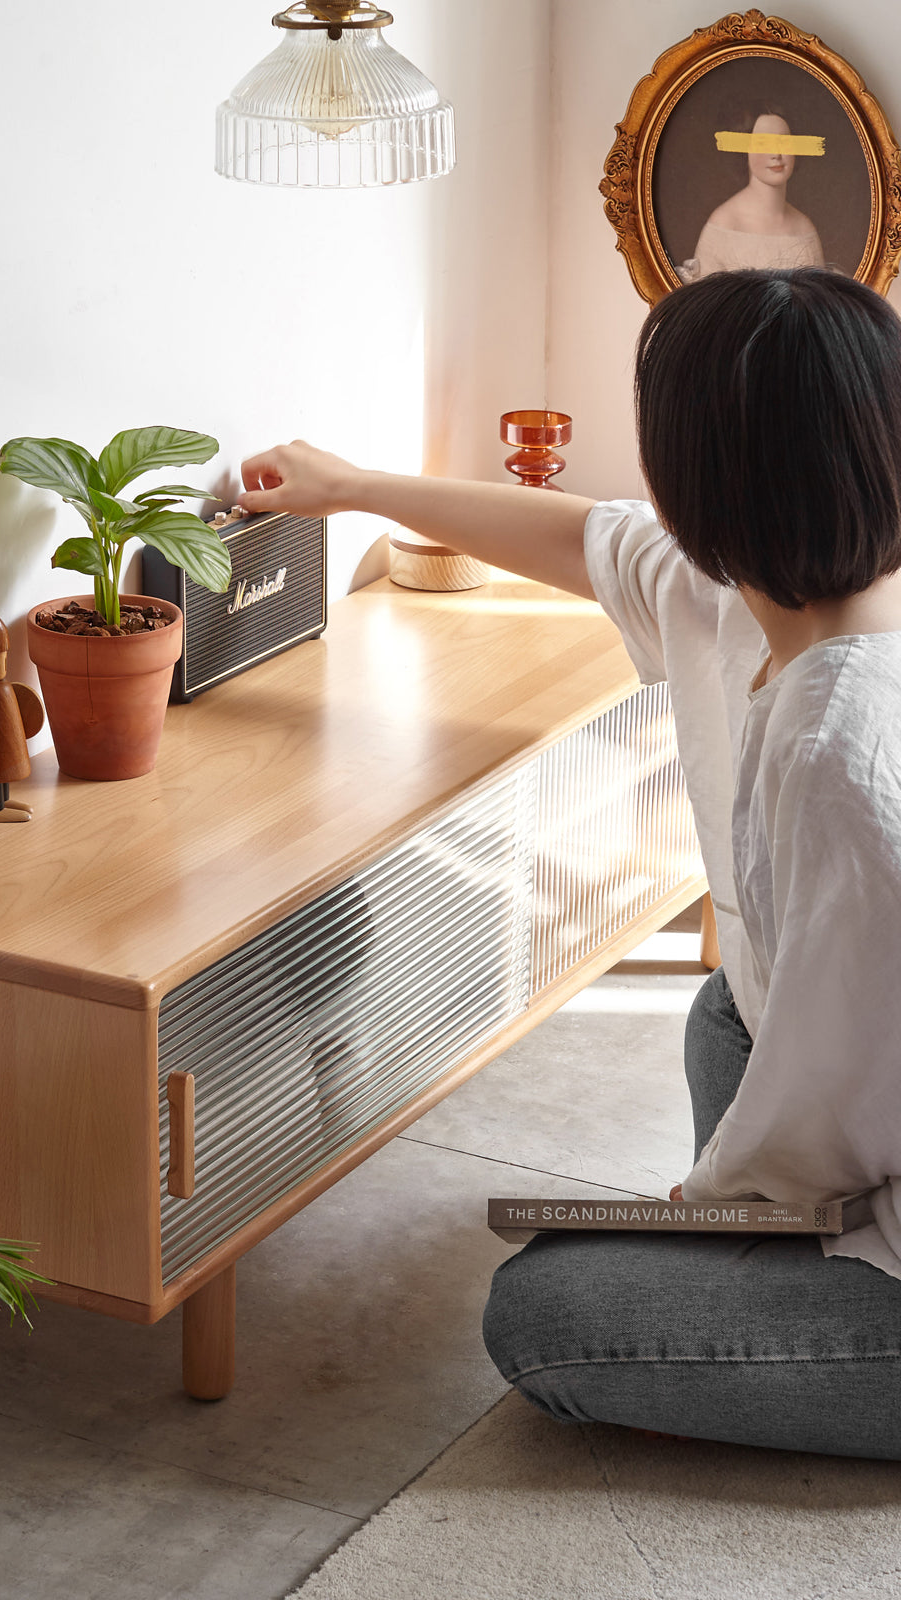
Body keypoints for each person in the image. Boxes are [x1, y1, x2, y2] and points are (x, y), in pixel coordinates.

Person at [238, 267, 901, 1458]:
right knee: (724, 1018)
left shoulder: (844, 750)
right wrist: (352, 488)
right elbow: (589, 538)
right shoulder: (745, 598)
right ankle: (759, 1255)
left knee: (543, 1314)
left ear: (705, 479)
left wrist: (714, 1210)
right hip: (866, 1106)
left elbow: (834, 1126)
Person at [677, 107, 824, 280]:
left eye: (784, 143)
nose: (776, 154)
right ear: (745, 151)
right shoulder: (724, 223)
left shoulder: (804, 227)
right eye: (763, 144)